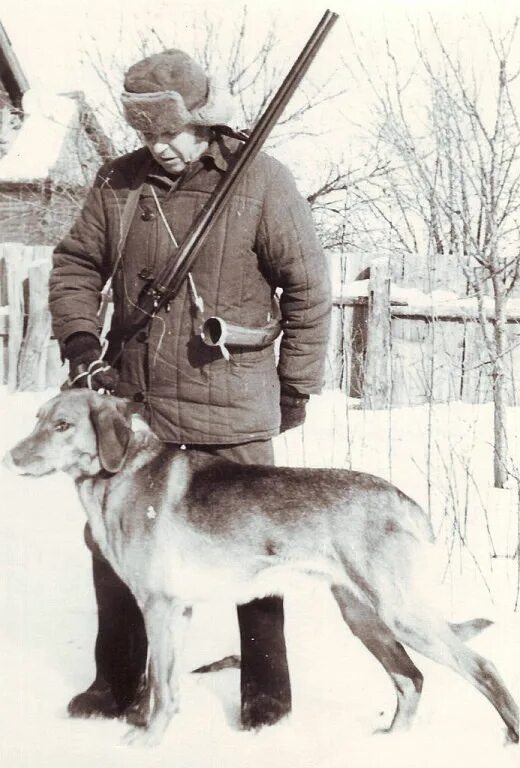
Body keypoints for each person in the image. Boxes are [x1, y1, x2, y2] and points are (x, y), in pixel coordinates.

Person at [49, 48, 331, 730]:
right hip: (137, 409)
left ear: (205, 121)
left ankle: (266, 694)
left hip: (232, 408)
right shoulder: (119, 183)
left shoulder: (262, 182)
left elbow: (310, 291)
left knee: (255, 546)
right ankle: (117, 686)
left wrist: (295, 387)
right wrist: (83, 342)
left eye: (170, 131)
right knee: (115, 545)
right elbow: (75, 266)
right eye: (147, 132)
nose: (161, 147)